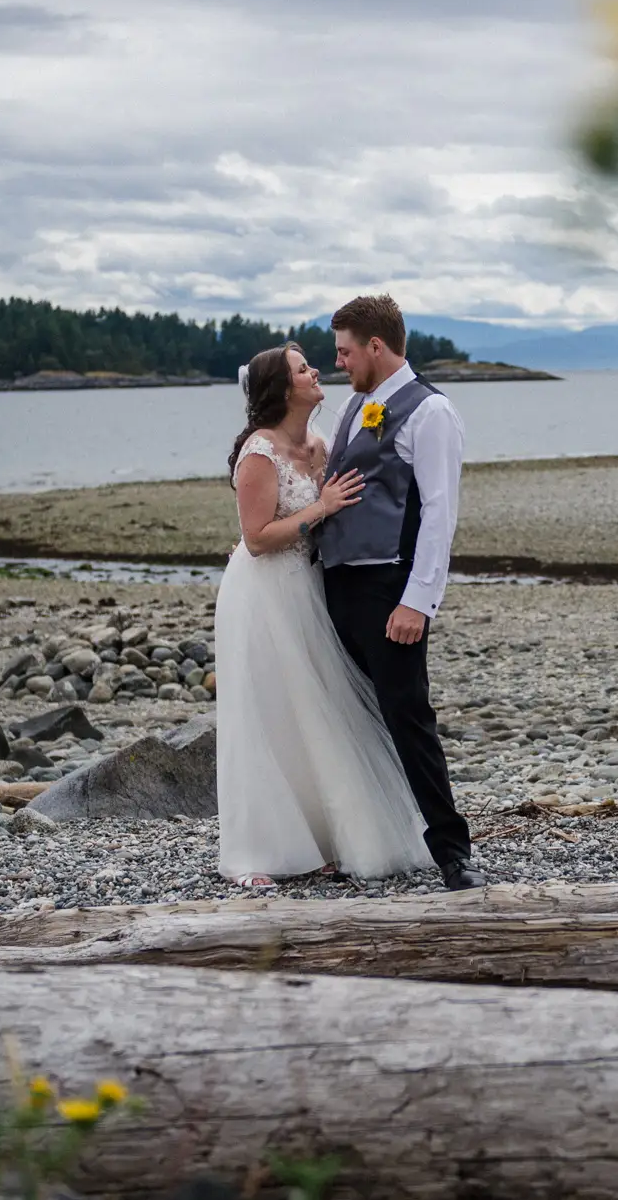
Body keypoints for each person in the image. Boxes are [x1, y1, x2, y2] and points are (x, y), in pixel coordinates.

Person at [214, 341, 432, 887]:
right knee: (272, 715)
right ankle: (263, 850)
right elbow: (258, 539)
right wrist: (322, 508)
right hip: (265, 593)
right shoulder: (259, 453)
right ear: (283, 390)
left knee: (320, 709)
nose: (317, 371)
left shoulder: (321, 442)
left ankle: (324, 837)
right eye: (303, 368)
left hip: (313, 585)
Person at [317, 295, 485, 891]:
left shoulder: (430, 412)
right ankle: (371, 838)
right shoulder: (357, 404)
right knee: (354, 716)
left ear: (376, 347)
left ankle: (452, 850)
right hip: (339, 584)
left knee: (408, 717)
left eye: (344, 351)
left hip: (390, 588)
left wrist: (419, 601)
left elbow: (440, 513)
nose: (338, 362)